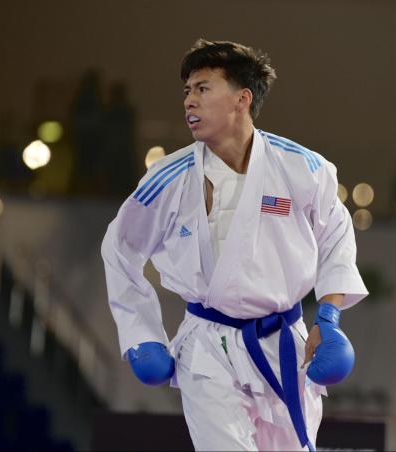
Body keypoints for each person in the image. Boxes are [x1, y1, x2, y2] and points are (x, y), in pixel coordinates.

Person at [101, 39, 368, 451]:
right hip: (208, 345)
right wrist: (142, 333)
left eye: (203, 88)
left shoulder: (302, 169)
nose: (190, 101)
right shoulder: (167, 179)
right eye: (187, 91)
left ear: (242, 98)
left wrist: (329, 316)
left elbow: (337, 236)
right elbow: (119, 249)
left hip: (282, 343)